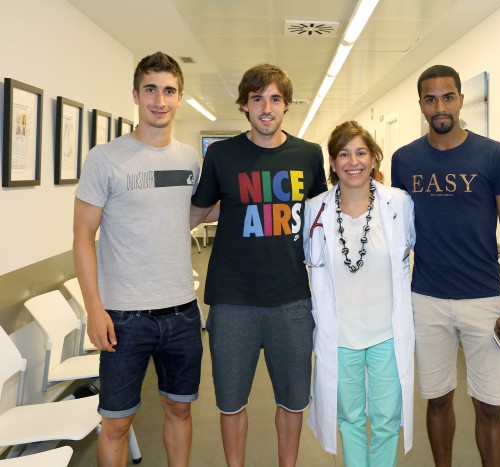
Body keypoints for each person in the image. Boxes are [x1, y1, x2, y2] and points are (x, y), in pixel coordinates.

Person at [190, 63, 327, 467]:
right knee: (231, 403)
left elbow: (322, 216)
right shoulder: (222, 155)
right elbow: (196, 214)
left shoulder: (308, 154)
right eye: (257, 99)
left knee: (293, 399)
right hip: (233, 301)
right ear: (244, 106)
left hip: (292, 300)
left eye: (274, 99)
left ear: (286, 105)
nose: (266, 107)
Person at [391, 64, 500, 467]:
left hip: (483, 298)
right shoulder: (405, 160)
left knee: (490, 406)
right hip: (427, 298)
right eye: (430, 99)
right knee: (437, 400)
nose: (440, 107)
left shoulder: (495, 155)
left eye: (448, 97)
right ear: (421, 105)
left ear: (461, 99)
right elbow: (395, 227)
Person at [73, 52, 202, 467]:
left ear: (180, 97)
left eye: (168, 90)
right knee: (116, 423)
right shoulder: (105, 158)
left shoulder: (189, 160)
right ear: (135, 94)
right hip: (123, 317)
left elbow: (198, 211)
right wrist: (94, 308)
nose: (159, 100)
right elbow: (82, 237)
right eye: (151, 89)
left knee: (179, 409)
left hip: (182, 312)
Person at [304, 121, 415, 466]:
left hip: (386, 334)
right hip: (339, 336)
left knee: (385, 421)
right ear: (333, 163)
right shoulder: (315, 209)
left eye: (361, 152)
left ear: (374, 159)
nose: (353, 161)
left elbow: (418, 246)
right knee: (349, 419)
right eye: (344, 153)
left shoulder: (398, 203)